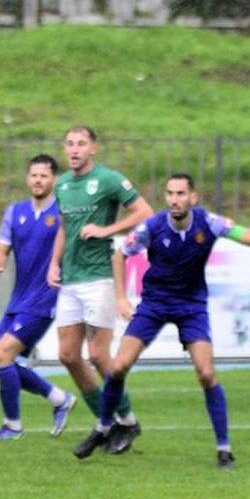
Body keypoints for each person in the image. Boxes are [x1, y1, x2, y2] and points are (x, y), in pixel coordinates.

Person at [73, 173, 250, 468]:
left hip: (191, 306)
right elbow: (119, 255)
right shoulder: (152, 226)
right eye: (169, 194)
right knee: (118, 366)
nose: (174, 200)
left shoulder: (209, 223)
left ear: (193, 197)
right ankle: (102, 429)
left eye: (180, 194)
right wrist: (122, 298)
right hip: (155, 304)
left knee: (205, 373)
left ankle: (224, 449)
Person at [47, 126, 153, 452]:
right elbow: (65, 227)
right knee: (67, 355)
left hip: (99, 278)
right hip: (71, 279)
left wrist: (107, 229)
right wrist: (54, 263)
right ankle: (110, 423)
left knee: (98, 355)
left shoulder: (108, 179)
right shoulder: (62, 183)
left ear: (93, 148)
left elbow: (145, 212)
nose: (75, 149)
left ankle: (125, 420)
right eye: (70, 144)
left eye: (81, 144)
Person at [0, 155, 77, 440]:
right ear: (28, 178)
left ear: (54, 180)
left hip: (45, 299)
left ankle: (13, 426)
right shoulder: (15, 211)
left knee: (2, 356)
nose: (38, 180)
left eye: (44, 176)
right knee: (4, 362)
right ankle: (60, 399)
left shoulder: (62, 211)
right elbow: (2, 247)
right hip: (18, 299)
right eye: (34, 175)